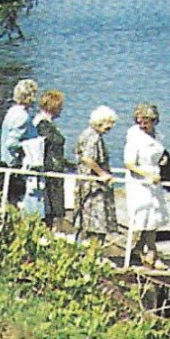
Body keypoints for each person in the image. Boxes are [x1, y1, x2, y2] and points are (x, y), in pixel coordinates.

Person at [122, 103, 169, 269]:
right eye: (139, 121)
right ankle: (152, 253)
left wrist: (162, 162)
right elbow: (129, 163)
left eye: (146, 122)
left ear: (154, 121)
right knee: (146, 216)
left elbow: (157, 152)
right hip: (140, 181)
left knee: (154, 216)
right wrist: (148, 174)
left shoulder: (156, 135)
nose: (142, 125)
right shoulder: (134, 137)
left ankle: (139, 249)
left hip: (154, 178)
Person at [73, 105, 119, 246]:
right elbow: (87, 158)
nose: (110, 127)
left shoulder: (87, 134)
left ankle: (92, 254)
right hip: (93, 186)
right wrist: (102, 173)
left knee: (88, 223)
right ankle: (94, 256)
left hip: (85, 184)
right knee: (97, 224)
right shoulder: (93, 137)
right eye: (108, 124)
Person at [0, 78, 39, 207]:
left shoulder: (12, 111)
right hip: (14, 164)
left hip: (5, 161)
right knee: (15, 200)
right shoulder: (22, 117)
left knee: (9, 199)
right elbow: (11, 143)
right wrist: (29, 146)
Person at [34, 89, 69, 230]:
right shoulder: (42, 124)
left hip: (55, 167)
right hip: (50, 170)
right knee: (52, 206)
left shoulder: (46, 123)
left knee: (55, 207)